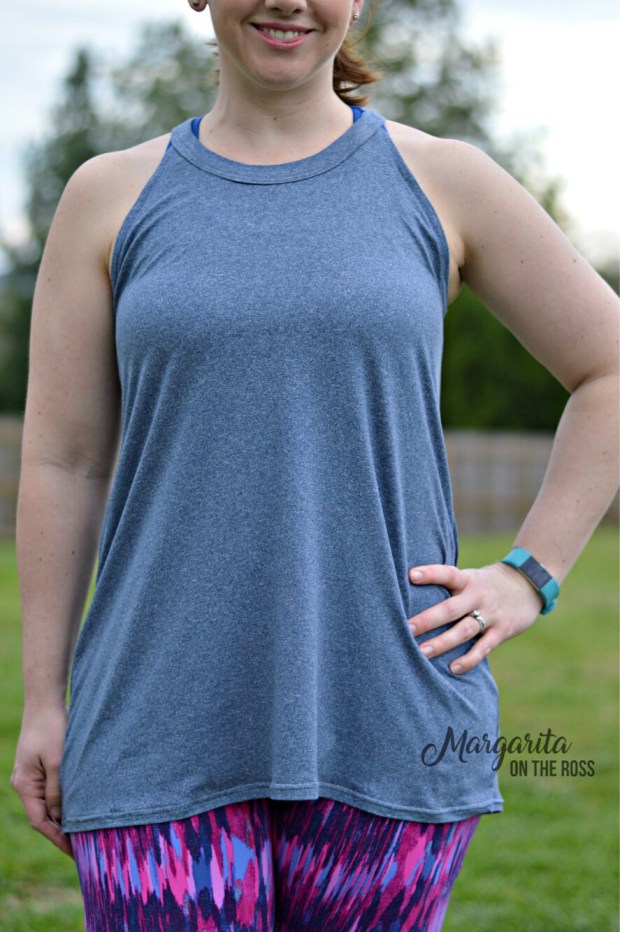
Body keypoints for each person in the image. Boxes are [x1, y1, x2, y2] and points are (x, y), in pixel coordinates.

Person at [10, 0, 619, 929]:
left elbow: (607, 368)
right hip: (150, 724)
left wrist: (531, 575)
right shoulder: (109, 195)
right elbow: (64, 460)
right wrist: (43, 702)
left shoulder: (445, 180)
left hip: (392, 723)